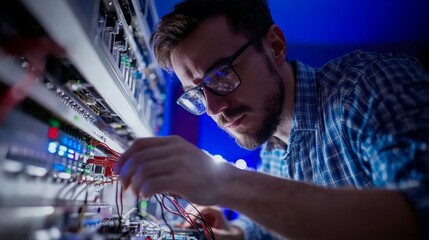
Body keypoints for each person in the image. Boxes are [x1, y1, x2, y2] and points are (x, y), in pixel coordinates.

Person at [114, 0, 429, 239]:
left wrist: (223, 183)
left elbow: (419, 210)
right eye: (196, 93)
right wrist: (229, 232)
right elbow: (265, 229)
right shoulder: (274, 146)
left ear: (275, 46)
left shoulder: (371, 85)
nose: (213, 108)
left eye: (221, 74)